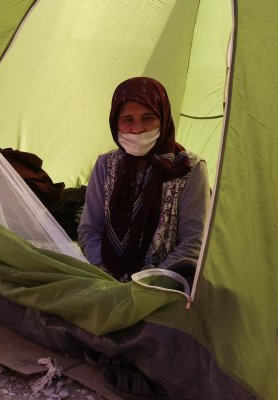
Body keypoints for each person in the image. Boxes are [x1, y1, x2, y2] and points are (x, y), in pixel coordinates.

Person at [77, 76, 210, 283]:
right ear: (115, 123)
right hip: (106, 278)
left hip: (164, 284)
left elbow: (193, 242)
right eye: (127, 120)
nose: (138, 129)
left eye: (148, 118)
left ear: (163, 118)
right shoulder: (106, 164)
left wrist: (144, 284)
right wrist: (105, 272)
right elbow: (89, 229)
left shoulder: (190, 169)